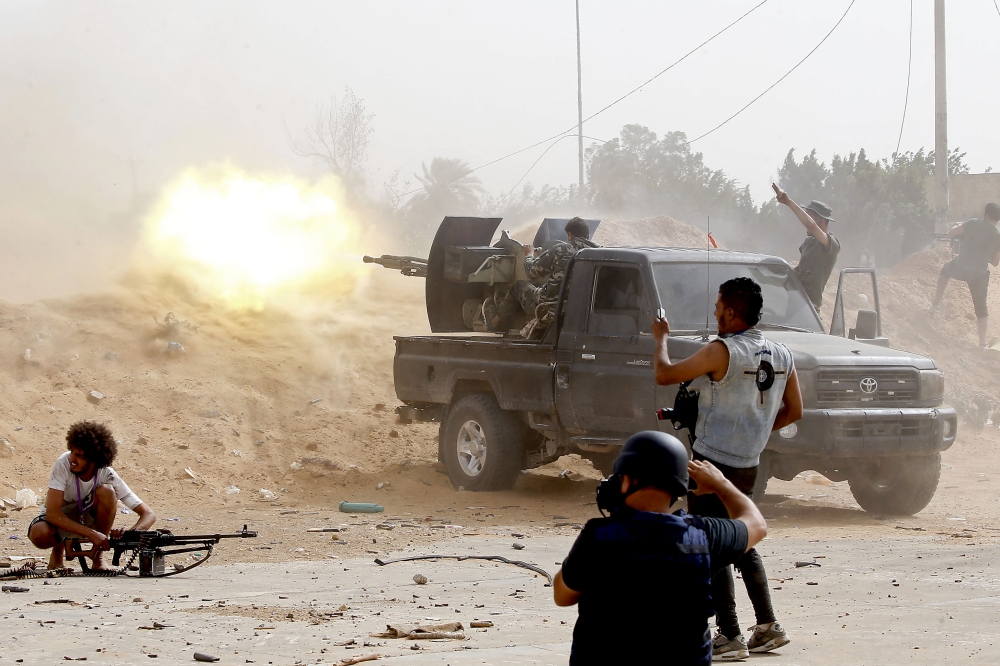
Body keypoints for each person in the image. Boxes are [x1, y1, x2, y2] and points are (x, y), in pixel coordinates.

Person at [653, 277, 803, 659]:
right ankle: (767, 626)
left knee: (710, 542)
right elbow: (794, 411)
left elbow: (665, 373)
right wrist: (754, 433)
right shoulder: (783, 353)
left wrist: (661, 338)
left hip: (710, 462)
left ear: (733, 312)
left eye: (719, 305)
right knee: (741, 538)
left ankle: (731, 635)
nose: (715, 311)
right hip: (748, 463)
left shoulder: (723, 351)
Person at [553, 431, 768, 665]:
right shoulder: (703, 537)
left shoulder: (598, 537)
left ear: (627, 481)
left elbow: (562, 595)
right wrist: (721, 484)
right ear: (678, 488)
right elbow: (756, 524)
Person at [28, 421, 156, 570]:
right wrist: (91, 533)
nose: (72, 459)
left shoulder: (106, 474)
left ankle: (98, 557)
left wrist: (130, 534)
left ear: (94, 460)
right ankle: (58, 549)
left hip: (87, 519)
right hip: (59, 520)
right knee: (39, 533)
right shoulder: (63, 464)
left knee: (108, 492)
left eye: (79, 456)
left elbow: (149, 514)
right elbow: (52, 514)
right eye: (72, 452)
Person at [929, 203, 1000, 348]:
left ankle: (935, 305)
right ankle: (982, 344)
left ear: (986, 214)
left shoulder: (973, 223)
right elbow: (994, 262)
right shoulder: (997, 236)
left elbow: (951, 233)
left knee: (944, 272)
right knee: (981, 309)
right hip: (980, 274)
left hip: (961, 266)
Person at [511, 217, 598, 322]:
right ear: (588, 236)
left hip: (551, 307)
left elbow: (531, 271)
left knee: (518, 286)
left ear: (569, 234)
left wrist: (529, 254)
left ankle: (495, 320)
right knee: (536, 285)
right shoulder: (599, 253)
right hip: (582, 308)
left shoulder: (560, 250)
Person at [772, 183, 841, 309]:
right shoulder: (809, 243)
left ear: (822, 220)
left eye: (809, 215)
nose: (804, 220)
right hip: (795, 302)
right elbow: (798, 270)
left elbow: (811, 225)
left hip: (810, 309)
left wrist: (789, 202)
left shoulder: (831, 244)